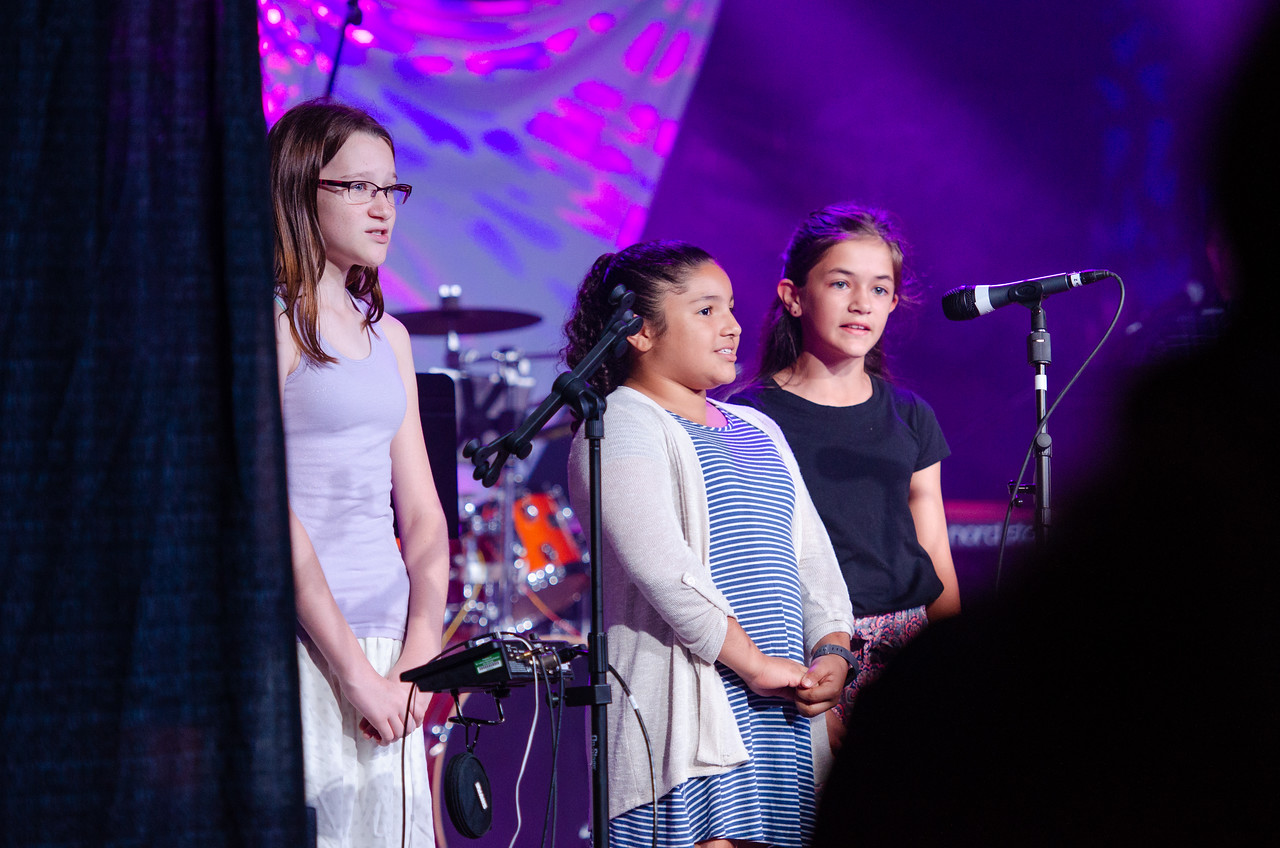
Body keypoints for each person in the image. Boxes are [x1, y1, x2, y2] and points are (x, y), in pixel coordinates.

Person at [562, 241, 855, 848]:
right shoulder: (621, 421)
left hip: (781, 710)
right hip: (693, 713)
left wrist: (832, 650)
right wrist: (754, 667)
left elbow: (813, 561)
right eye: (705, 310)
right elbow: (665, 570)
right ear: (638, 332)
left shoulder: (757, 426)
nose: (732, 325)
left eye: (730, 307)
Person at [271, 99, 449, 847]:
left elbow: (424, 516)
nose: (383, 210)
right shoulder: (273, 323)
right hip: (310, 644)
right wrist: (352, 672)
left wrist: (421, 652)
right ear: (302, 188)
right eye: (360, 188)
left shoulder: (391, 337)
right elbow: (268, 510)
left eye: (392, 190)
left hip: (393, 650)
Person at [729, 203, 959, 743]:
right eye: (840, 283)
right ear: (793, 295)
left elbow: (935, 552)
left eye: (879, 290)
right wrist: (814, 670)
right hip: (808, 652)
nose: (861, 304)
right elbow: (752, 561)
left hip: (908, 649)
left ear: (894, 304)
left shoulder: (911, 414)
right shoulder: (750, 417)